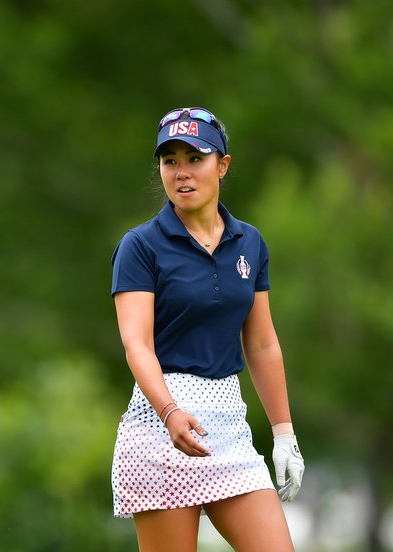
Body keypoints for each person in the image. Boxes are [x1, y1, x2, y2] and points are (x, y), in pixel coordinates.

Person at [110, 107, 305, 551]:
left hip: (230, 427)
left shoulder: (249, 242)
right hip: (161, 429)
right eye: (170, 160)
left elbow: (261, 343)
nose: (181, 172)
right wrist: (169, 411)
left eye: (195, 158)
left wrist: (283, 432)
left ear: (222, 164)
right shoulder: (140, 246)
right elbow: (135, 343)